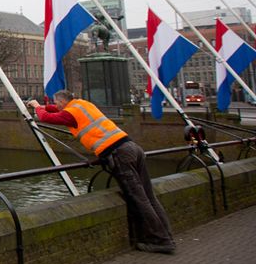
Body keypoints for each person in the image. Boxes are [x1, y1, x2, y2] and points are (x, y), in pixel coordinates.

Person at [26, 89, 176, 254]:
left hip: (119, 154)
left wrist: (36, 107)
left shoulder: (71, 114)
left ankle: (161, 240)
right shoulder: (83, 105)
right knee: (149, 196)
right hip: (132, 147)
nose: (56, 106)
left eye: (57, 103)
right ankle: (167, 235)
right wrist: (44, 106)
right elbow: (56, 111)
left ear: (62, 102)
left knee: (140, 199)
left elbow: (46, 117)